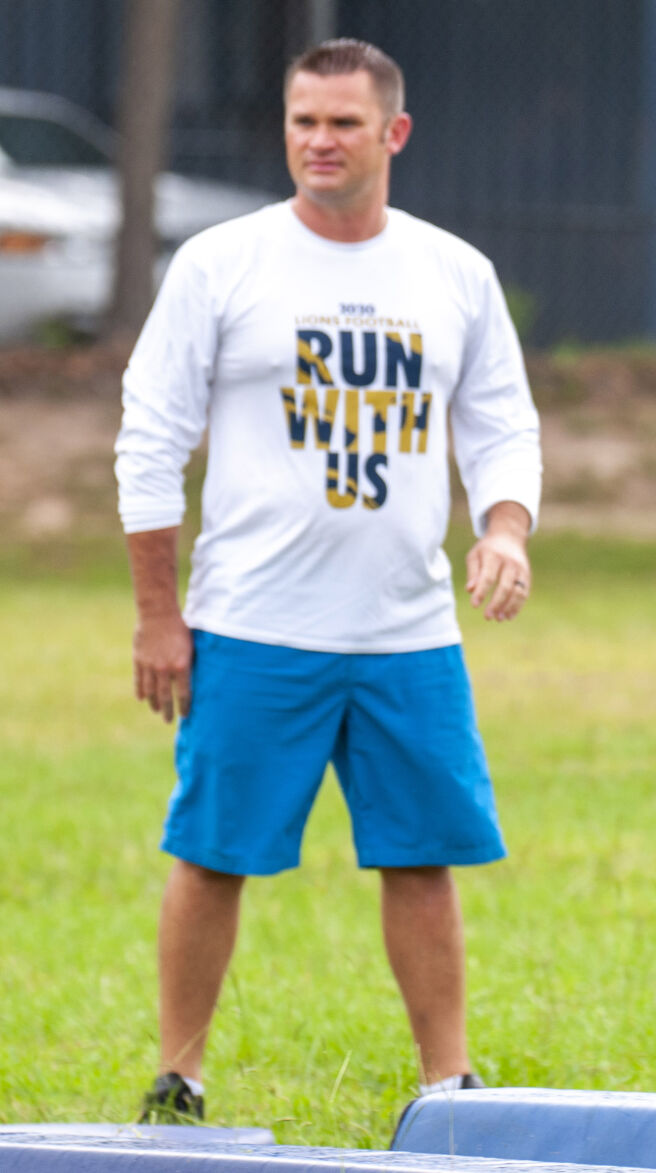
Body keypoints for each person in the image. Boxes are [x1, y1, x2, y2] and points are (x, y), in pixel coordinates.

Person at [116, 38, 541, 1122]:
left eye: (343, 123)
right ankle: (181, 1074)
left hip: (407, 632)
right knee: (212, 852)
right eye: (304, 120)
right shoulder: (222, 264)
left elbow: (500, 425)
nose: (319, 141)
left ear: (392, 134)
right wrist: (160, 617)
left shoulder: (452, 272)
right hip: (254, 625)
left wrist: (503, 529)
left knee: (425, 856)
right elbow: (149, 440)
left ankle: (449, 1082)